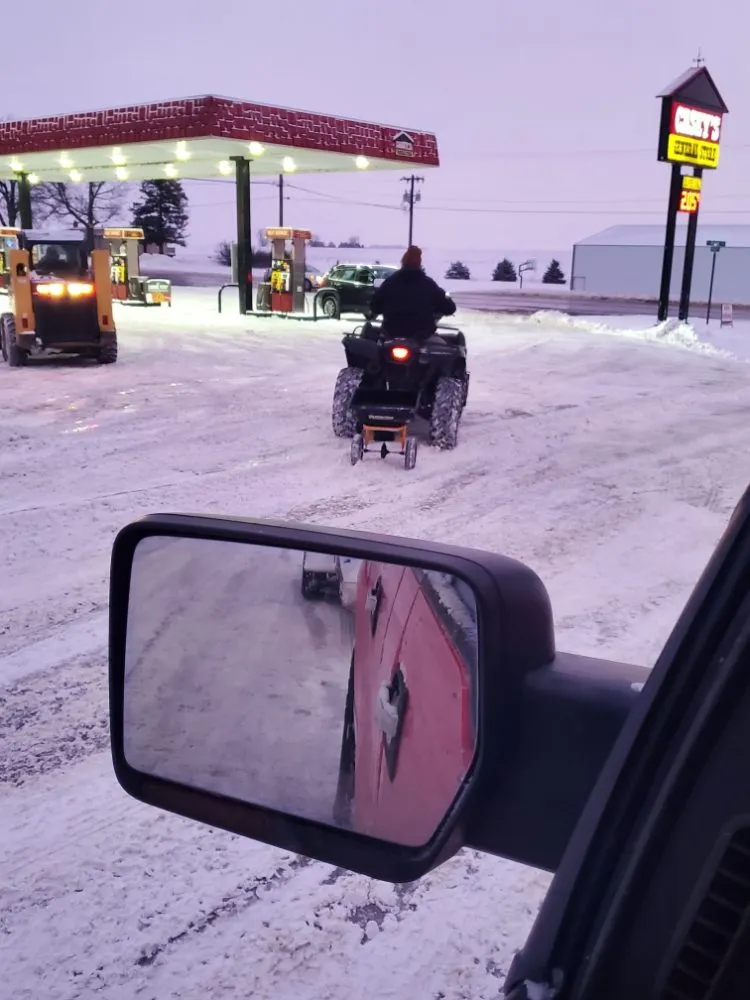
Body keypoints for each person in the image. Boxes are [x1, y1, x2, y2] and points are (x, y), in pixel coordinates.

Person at [368, 245, 456, 342]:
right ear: (419, 264)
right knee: (444, 350)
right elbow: (449, 308)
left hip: (390, 334)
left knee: (373, 348)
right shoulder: (429, 284)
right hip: (422, 336)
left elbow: (374, 307)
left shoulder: (389, 283)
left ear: (403, 262)